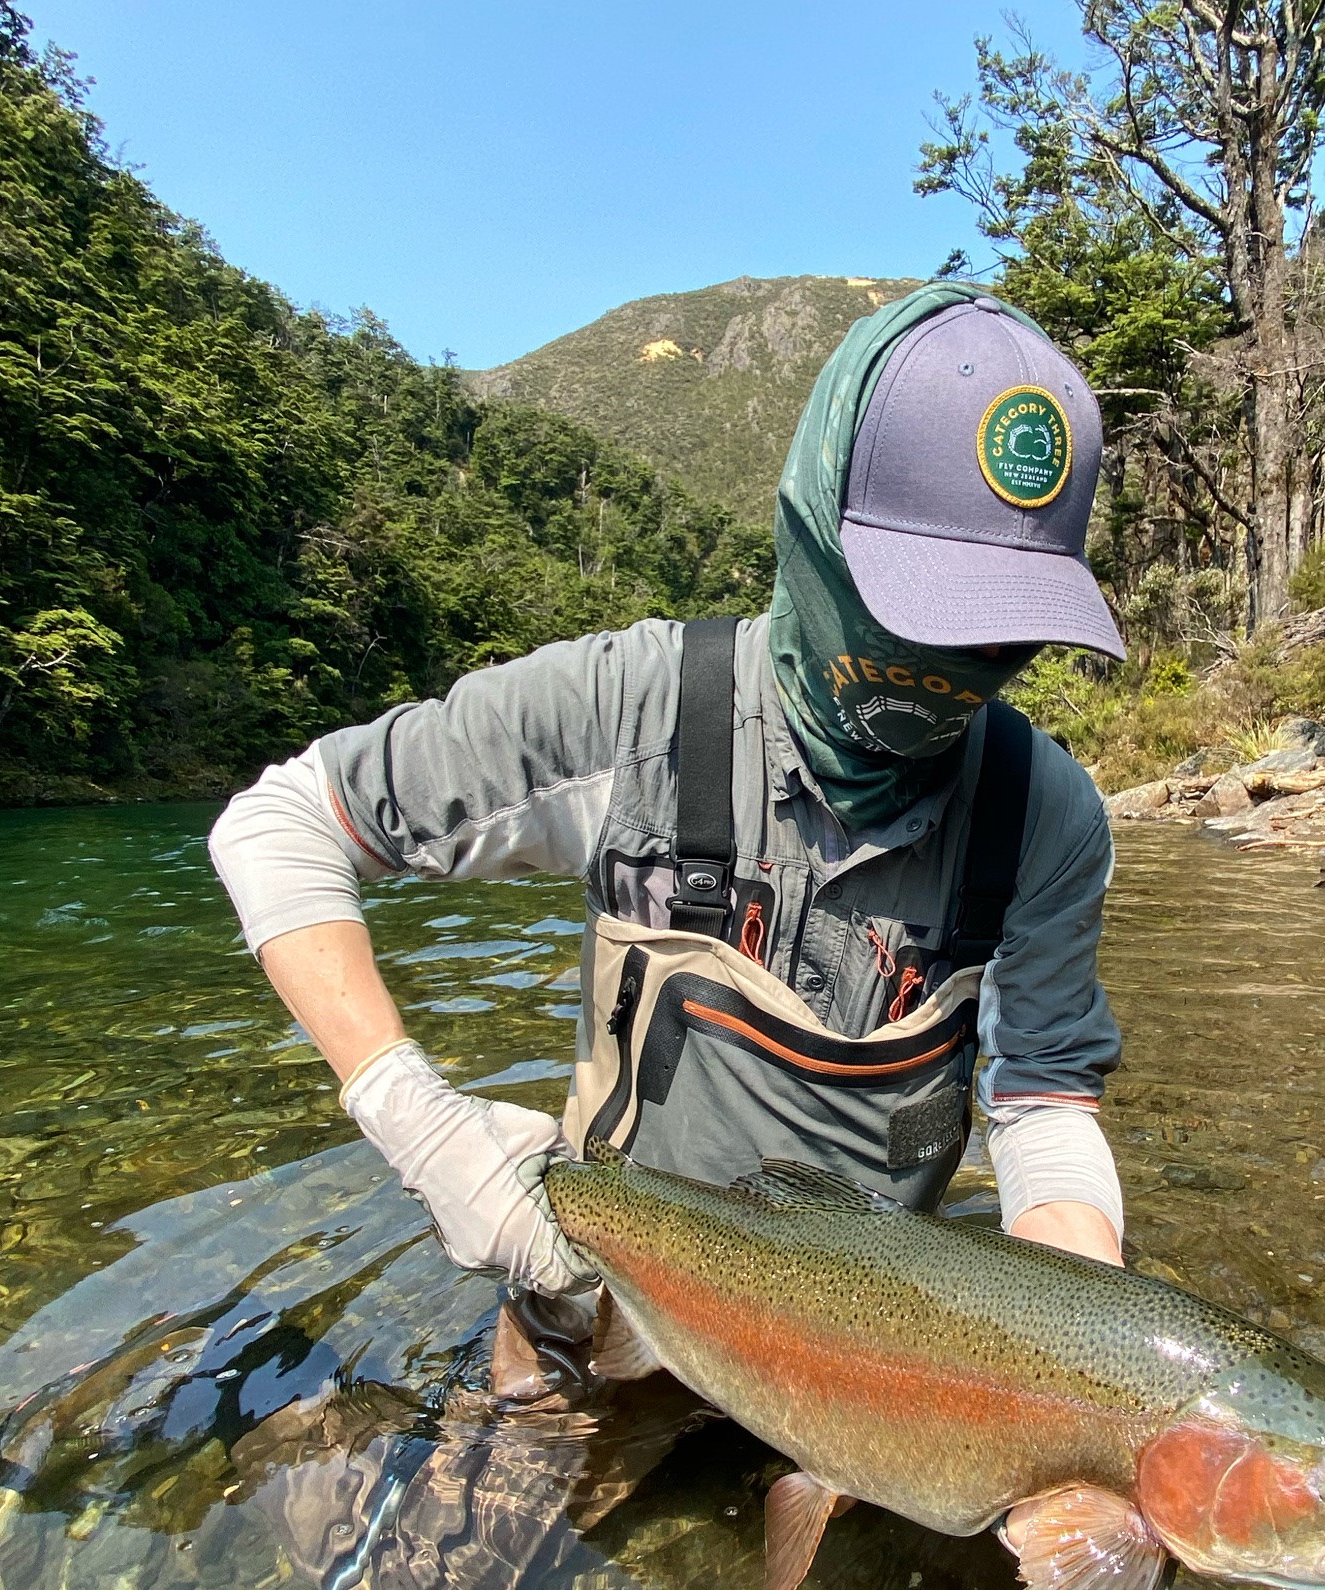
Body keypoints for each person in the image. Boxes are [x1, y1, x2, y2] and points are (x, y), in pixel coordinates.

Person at [207, 283, 1129, 1331]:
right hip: (598, 1309)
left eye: (998, 631)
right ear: (815, 535)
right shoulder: (629, 710)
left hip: (866, 1372)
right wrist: (415, 1116)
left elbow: (1040, 1102)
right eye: (920, 609)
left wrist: (1089, 1362)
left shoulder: (1043, 817)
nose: (954, 665)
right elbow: (279, 822)